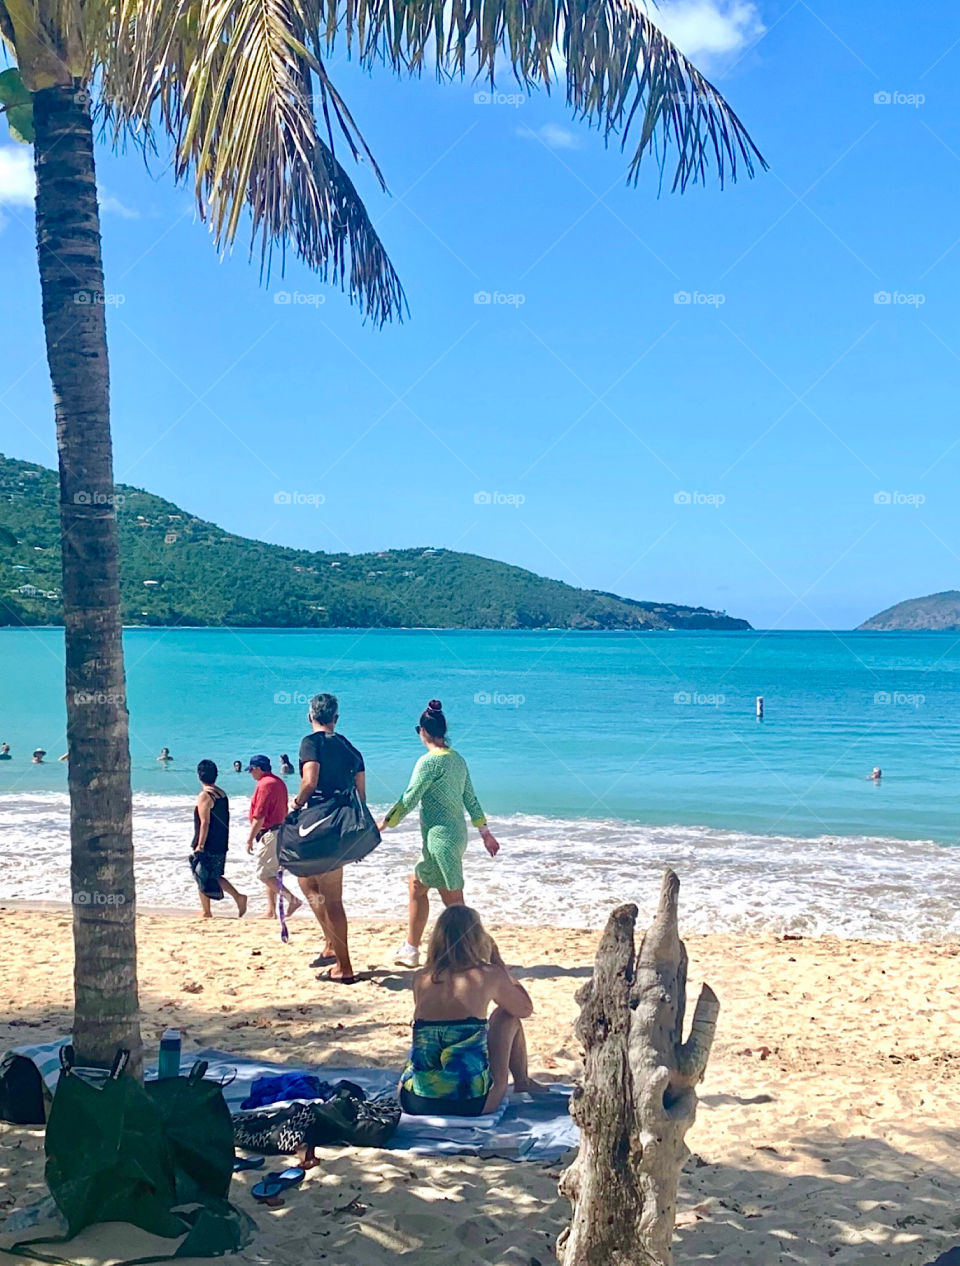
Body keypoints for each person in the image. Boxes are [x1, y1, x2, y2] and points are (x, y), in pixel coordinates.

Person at [380, 700, 499, 969]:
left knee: (455, 903)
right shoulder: (457, 760)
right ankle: (410, 948)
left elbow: (410, 798)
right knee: (416, 885)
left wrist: (386, 823)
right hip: (456, 836)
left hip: (440, 841)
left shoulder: (428, 763)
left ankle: (482, 954)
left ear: (423, 731)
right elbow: (471, 798)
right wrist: (484, 832)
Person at [399, 905, 544, 1117]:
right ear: (477, 938)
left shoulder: (421, 977)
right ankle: (522, 1082)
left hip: (414, 1102)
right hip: (472, 1102)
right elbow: (524, 1009)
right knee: (506, 1016)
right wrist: (500, 965)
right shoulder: (487, 974)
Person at [291, 692, 366, 984]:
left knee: (332, 899)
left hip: (319, 824)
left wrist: (295, 805)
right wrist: (360, 832)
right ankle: (331, 944)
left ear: (310, 717)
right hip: (343, 823)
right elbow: (361, 794)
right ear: (336, 718)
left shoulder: (310, 743)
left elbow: (309, 781)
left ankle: (344, 967)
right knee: (307, 882)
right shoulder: (350, 748)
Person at [245, 755, 302, 920]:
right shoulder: (278, 782)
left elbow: (260, 816)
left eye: (251, 769)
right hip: (281, 831)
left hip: (271, 832)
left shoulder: (264, 785)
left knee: (263, 874)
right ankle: (271, 911)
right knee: (272, 873)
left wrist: (250, 838)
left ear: (258, 768)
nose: (250, 773)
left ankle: (293, 900)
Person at [190, 759, 247, 918]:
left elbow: (205, 822)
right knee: (213, 875)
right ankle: (237, 897)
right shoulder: (221, 793)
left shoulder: (205, 795)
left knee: (201, 874)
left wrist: (200, 845)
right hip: (221, 840)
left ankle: (207, 911)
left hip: (208, 841)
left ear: (199, 776)